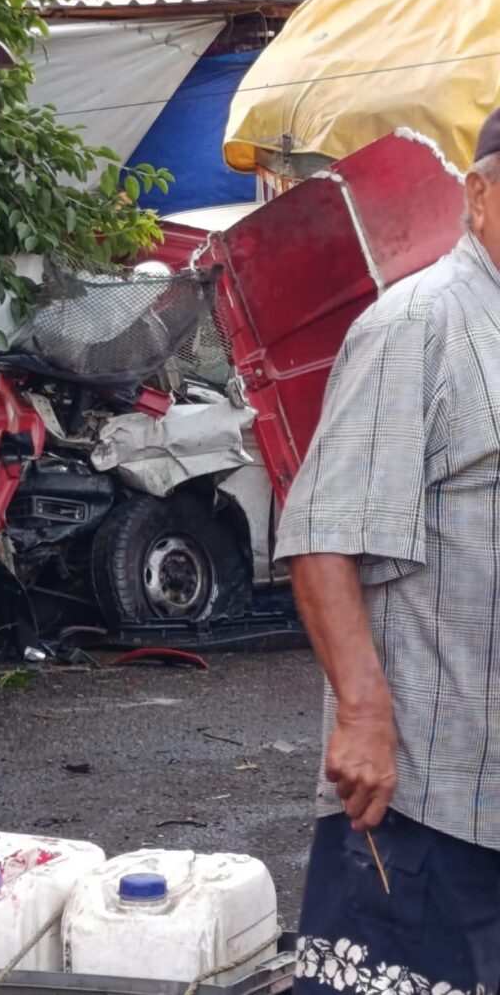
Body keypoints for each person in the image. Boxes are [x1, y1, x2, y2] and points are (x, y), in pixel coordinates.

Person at [276, 109, 500, 992]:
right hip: (424, 802)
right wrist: (363, 716)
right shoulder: (421, 324)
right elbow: (323, 535)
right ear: (478, 195)